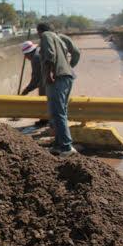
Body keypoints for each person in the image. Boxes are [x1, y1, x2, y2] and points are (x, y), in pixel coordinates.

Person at [37, 23, 81, 156]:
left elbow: (50, 53)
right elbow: (76, 53)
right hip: (66, 77)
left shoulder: (46, 35)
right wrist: (68, 67)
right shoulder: (60, 37)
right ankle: (58, 145)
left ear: (39, 31)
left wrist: (51, 71)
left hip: (57, 78)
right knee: (59, 112)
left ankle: (66, 147)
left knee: (57, 113)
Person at [20, 41, 48, 127]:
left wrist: (27, 90)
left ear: (29, 53)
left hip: (47, 80)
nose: (25, 57)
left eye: (25, 55)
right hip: (49, 78)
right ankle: (45, 119)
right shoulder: (38, 52)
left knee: (43, 98)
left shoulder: (35, 58)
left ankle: (45, 120)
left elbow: (36, 79)